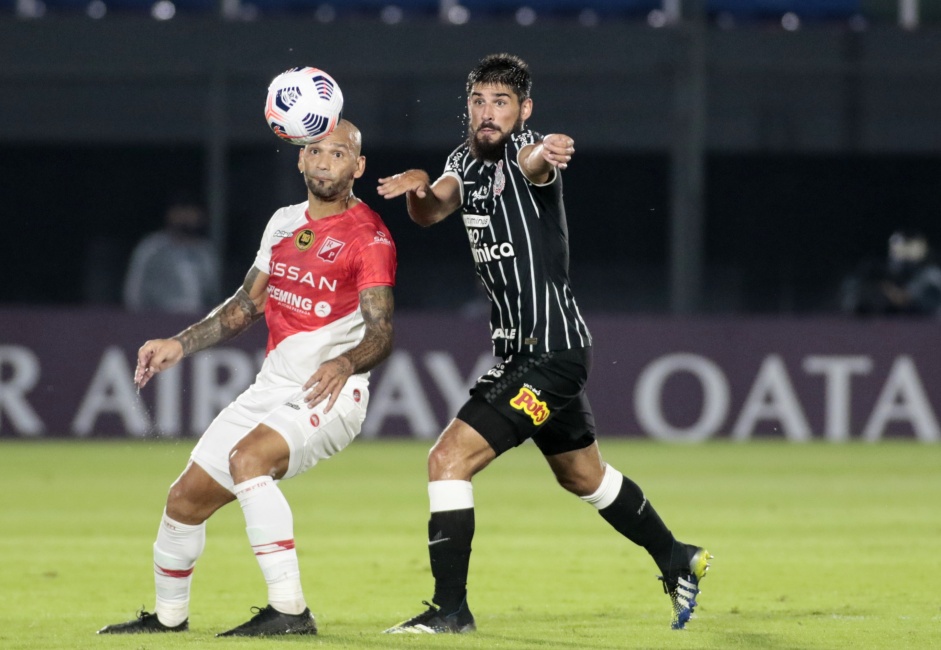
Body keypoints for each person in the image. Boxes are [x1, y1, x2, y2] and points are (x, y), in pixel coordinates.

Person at [376, 53, 711, 634]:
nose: (487, 113)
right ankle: (677, 556)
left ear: (523, 110)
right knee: (583, 476)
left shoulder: (526, 157)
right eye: (479, 101)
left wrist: (546, 149)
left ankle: (451, 611)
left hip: (547, 355)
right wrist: (417, 190)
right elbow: (432, 212)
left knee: (447, 460)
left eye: (501, 102)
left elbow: (537, 162)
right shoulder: (463, 161)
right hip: (532, 354)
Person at [99, 120, 397, 637]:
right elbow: (245, 307)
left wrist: (347, 362)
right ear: (300, 160)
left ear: (359, 166)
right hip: (271, 389)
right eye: (316, 151)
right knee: (183, 500)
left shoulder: (369, 237)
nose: (326, 161)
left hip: (332, 393)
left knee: (248, 460)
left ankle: (291, 612)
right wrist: (179, 343)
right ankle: (169, 620)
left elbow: (381, 331)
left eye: (340, 153)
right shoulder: (283, 223)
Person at [123, 197, 222, 313]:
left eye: (190, 211)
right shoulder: (151, 248)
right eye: (180, 211)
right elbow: (133, 291)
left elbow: (213, 294)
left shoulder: (205, 252)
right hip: (159, 319)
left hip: (197, 322)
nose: (185, 216)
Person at [840, 230, 941, 317]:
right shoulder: (876, 267)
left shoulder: (930, 273)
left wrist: (887, 288)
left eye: (910, 246)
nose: (903, 250)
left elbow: (903, 299)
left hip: (929, 321)